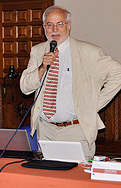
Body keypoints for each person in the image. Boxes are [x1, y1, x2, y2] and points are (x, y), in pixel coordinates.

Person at [20, 6, 121, 158]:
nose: (54, 29)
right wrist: (41, 68)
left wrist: (93, 104)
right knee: (47, 178)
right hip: (45, 129)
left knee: (76, 179)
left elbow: (117, 73)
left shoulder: (89, 52)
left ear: (68, 25)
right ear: (44, 27)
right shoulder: (38, 51)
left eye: (60, 23)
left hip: (75, 130)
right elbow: (25, 87)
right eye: (49, 24)